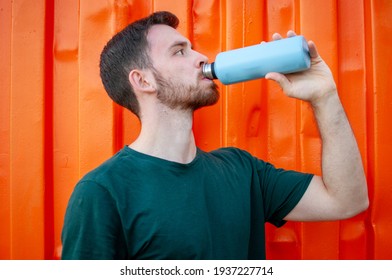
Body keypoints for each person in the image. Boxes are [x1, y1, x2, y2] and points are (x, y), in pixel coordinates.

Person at [61, 11, 368, 260]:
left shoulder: (242, 170)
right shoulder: (103, 192)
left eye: (192, 48)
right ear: (142, 80)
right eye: (180, 51)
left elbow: (346, 201)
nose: (200, 57)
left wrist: (324, 96)